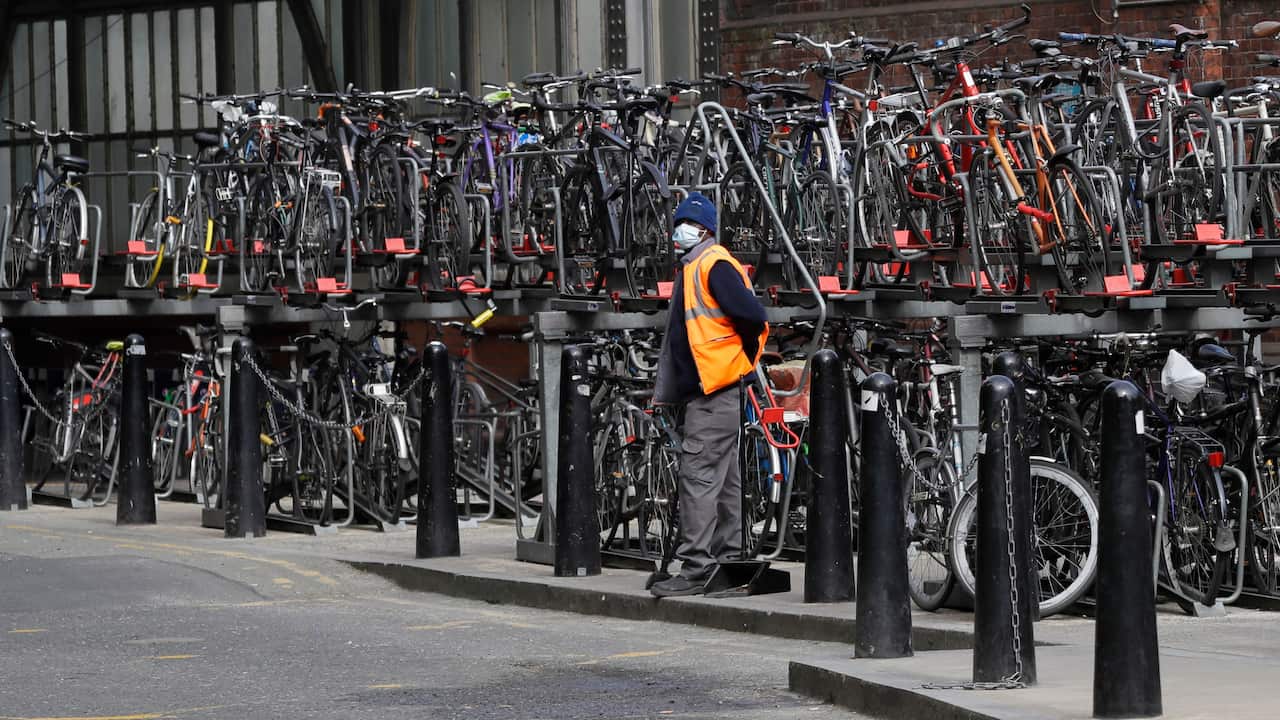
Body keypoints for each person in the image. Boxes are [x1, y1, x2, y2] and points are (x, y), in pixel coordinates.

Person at [650, 192, 768, 598]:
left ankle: (697, 566)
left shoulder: (712, 264)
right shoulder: (697, 266)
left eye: (686, 225)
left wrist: (740, 361)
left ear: (704, 230)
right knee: (725, 478)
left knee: (698, 476)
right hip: (716, 390)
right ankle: (727, 559)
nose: (678, 231)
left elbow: (753, 316)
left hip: (715, 390)